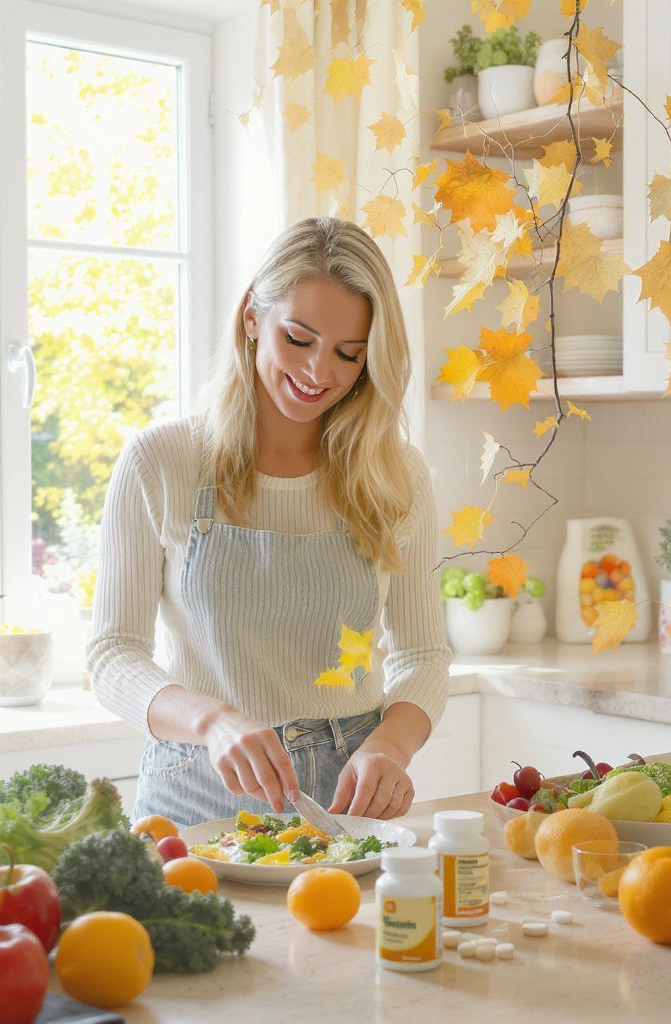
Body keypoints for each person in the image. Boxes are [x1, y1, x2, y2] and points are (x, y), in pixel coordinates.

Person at [87, 216, 451, 828]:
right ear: (253, 317)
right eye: (299, 339)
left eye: (348, 354)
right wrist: (212, 720)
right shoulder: (163, 461)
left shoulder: (396, 476)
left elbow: (423, 654)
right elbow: (112, 655)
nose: (318, 373)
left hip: (346, 798)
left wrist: (391, 745)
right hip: (196, 792)